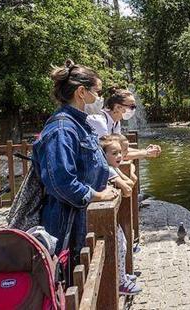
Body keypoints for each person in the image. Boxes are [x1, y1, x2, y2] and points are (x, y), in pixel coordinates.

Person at [36, 60, 119, 263]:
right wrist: (98, 195)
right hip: (69, 228)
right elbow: (61, 182)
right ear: (82, 92)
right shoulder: (62, 129)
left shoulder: (79, 125)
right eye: (97, 92)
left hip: (83, 223)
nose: (100, 98)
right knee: (73, 280)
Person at [99, 135, 142, 296]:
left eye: (121, 153)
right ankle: (120, 282)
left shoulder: (112, 168)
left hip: (109, 216)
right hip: (104, 217)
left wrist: (128, 170)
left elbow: (129, 185)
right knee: (118, 245)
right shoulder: (109, 170)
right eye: (115, 153)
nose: (119, 157)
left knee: (122, 243)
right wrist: (126, 176)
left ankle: (122, 275)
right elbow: (129, 188)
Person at [87, 87, 161, 161]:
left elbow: (121, 150)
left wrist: (144, 150)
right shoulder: (100, 122)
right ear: (117, 107)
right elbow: (111, 155)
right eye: (132, 107)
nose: (134, 110)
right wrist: (146, 153)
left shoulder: (116, 122)